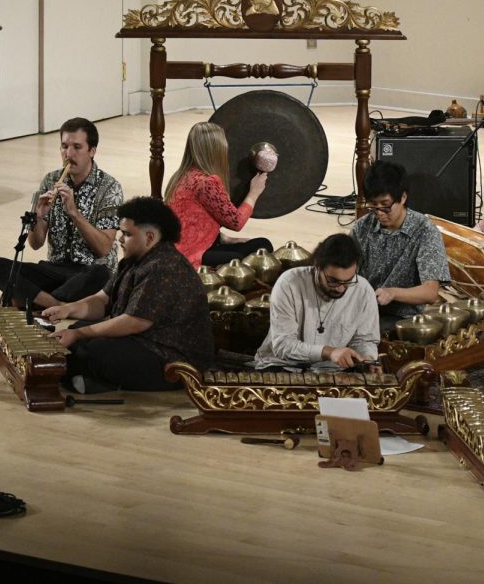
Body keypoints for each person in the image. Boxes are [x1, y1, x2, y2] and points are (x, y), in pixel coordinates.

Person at [42, 197, 213, 393]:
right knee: (78, 332)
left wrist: (79, 334)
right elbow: (102, 300)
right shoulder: (134, 260)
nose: (120, 239)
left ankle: (91, 378)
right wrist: (67, 309)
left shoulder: (164, 267)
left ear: (149, 237)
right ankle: (88, 379)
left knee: (93, 349)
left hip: (171, 359)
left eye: (126, 234)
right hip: (142, 341)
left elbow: (134, 322)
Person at [0, 117, 123, 308]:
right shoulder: (50, 180)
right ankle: (56, 305)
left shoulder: (109, 187)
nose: (68, 154)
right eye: (64, 146)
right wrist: (38, 217)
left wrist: (74, 213)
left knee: (102, 275)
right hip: (54, 269)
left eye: (77, 147)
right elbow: (35, 243)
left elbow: (104, 248)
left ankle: (32, 301)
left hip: (87, 272)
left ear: (92, 151)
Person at [349, 160, 450, 333]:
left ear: (403, 197)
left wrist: (393, 293)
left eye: (385, 206)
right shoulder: (361, 227)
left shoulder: (425, 231)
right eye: (373, 206)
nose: (379, 213)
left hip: (403, 318)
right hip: (363, 310)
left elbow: (430, 292)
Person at [252, 234, 379, 371]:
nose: (341, 288)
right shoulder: (289, 283)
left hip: (331, 371)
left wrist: (368, 360)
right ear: (317, 266)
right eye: (333, 281)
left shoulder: (363, 291)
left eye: (348, 281)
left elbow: (364, 340)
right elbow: (284, 345)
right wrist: (329, 352)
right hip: (283, 365)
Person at [164, 121, 272, 267]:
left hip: (189, 247)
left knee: (261, 245)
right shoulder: (206, 183)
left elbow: (193, 223)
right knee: (238, 258)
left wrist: (224, 238)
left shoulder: (181, 176)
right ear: (217, 150)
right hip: (191, 254)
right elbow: (236, 222)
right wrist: (254, 192)